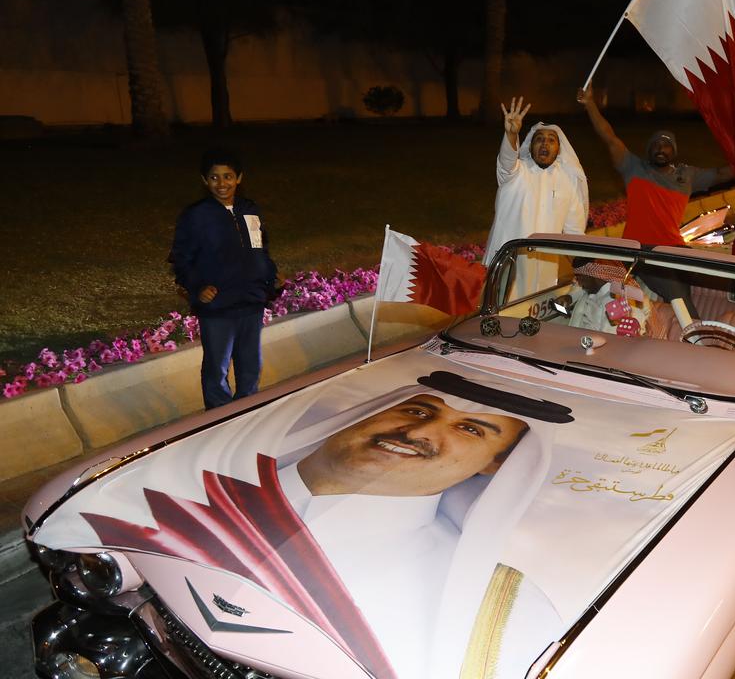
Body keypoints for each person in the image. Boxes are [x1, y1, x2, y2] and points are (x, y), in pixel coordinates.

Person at [77, 370, 571, 679]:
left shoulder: (502, 608)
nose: (418, 431)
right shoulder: (189, 486)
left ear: (493, 466)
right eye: (418, 408)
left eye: (469, 429)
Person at [578, 86, 733, 322]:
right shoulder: (634, 168)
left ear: (674, 151)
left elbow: (723, 173)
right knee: (678, 293)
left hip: (676, 249)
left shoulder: (687, 175)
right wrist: (590, 104)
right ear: (649, 151)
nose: (661, 148)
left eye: (666, 144)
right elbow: (609, 138)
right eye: (656, 145)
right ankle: (698, 340)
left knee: (706, 278)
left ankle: (673, 330)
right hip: (642, 250)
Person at [170, 147, 279, 409]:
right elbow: (181, 258)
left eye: (228, 176)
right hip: (218, 306)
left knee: (250, 364)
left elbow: (259, 248)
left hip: (251, 300)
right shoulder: (196, 216)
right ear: (204, 181)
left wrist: (270, 275)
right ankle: (219, 417)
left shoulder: (250, 209)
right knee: (217, 367)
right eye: (214, 177)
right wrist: (197, 288)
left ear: (239, 178)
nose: (222, 183)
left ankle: (247, 410)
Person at [484, 97, 589, 298]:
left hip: (544, 271)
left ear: (559, 149)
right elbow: (507, 159)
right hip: (508, 265)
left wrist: (589, 270)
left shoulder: (568, 182)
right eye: (539, 139)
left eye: (551, 140)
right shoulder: (515, 173)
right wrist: (511, 134)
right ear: (530, 146)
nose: (545, 144)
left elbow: (574, 233)